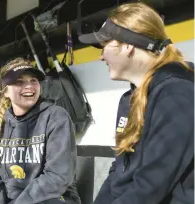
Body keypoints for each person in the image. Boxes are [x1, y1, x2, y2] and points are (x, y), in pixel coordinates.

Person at [79, 2, 194, 204]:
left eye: (104, 46)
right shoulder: (129, 99)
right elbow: (119, 170)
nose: (100, 56)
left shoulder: (177, 95)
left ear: (128, 46)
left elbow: (152, 185)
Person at [0, 57, 81, 204]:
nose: (29, 86)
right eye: (19, 82)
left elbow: (58, 176)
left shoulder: (56, 117)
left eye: (33, 80)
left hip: (49, 198)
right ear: (5, 92)